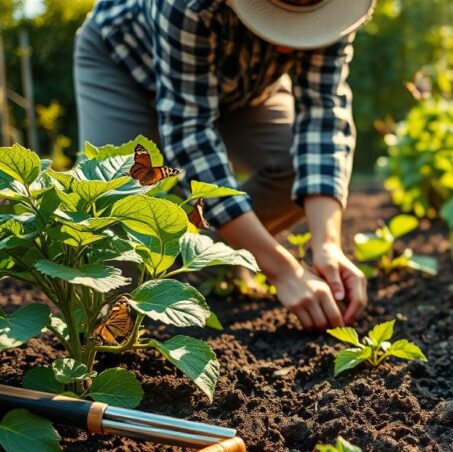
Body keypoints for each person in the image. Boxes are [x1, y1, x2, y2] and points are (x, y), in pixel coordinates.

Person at [74, 0, 374, 331]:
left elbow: (322, 118)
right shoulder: (188, 5)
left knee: (292, 167)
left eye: (308, 20)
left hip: (243, 89)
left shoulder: (335, 9)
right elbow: (191, 135)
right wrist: (283, 269)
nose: (293, 37)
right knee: (114, 240)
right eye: (282, 18)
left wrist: (327, 246)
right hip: (127, 68)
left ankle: (202, 262)